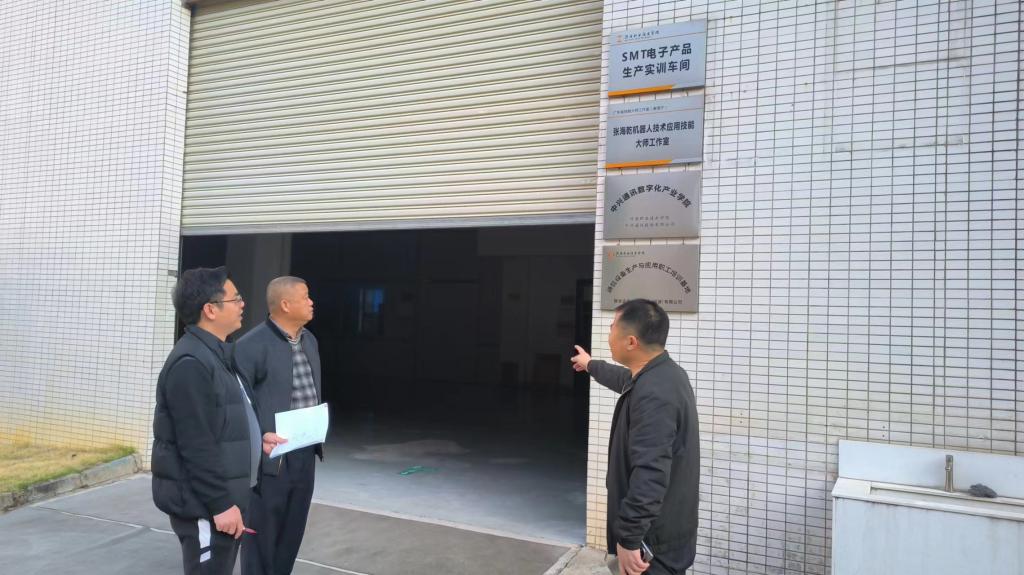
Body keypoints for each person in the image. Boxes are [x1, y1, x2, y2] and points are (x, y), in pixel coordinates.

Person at [151, 267, 284, 575]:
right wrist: (220, 504)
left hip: (224, 497)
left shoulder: (218, 354)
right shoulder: (191, 363)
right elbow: (195, 445)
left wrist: (256, 439)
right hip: (205, 505)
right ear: (210, 310)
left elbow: (224, 420)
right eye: (235, 299)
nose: (242, 304)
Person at [571, 299, 700, 575]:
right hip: (662, 532)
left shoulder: (654, 394)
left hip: (651, 545)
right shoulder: (663, 374)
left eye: (612, 327)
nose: (608, 334)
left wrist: (629, 538)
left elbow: (651, 471)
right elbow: (624, 379)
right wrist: (590, 364)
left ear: (631, 342)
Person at [235, 276, 323, 575]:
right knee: (262, 534)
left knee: (292, 530)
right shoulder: (250, 346)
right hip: (270, 457)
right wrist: (259, 437)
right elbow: (239, 403)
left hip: (305, 452)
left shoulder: (310, 340)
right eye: (305, 296)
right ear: (285, 304)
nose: (311, 302)